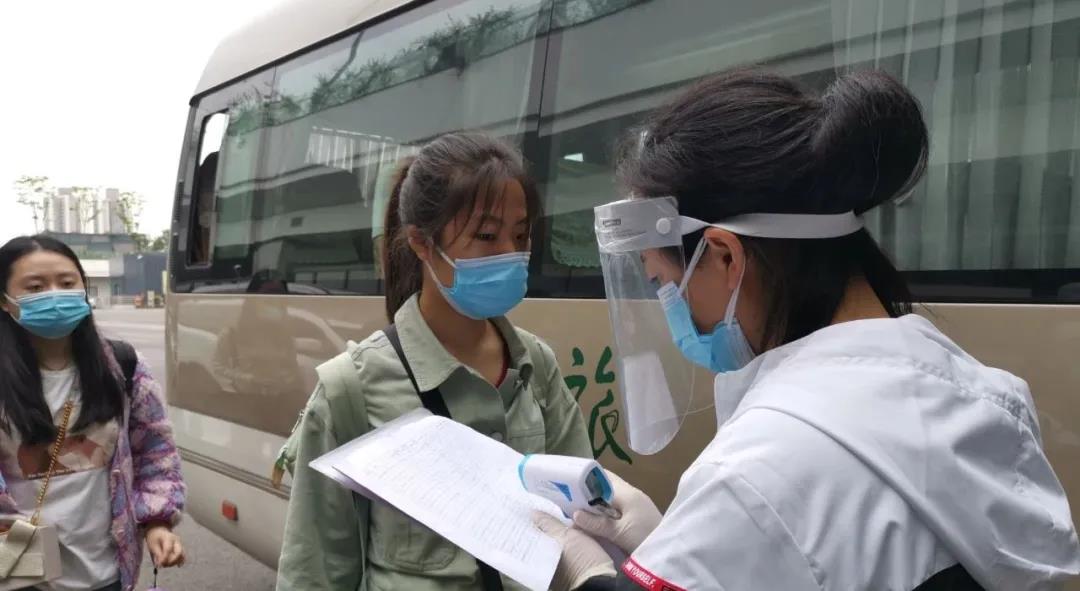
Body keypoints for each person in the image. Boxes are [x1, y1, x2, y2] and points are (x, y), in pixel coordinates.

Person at [534, 69, 1080, 590]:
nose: (670, 308)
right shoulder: (986, 397)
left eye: (664, 283)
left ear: (724, 256)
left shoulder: (753, 473)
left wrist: (588, 573)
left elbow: (779, 516)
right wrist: (683, 545)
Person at [276, 132, 591, 591]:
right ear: (422, 244)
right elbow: (315, 573)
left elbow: (581, 523)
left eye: (521, 234)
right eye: (487, 235)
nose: (511, 254)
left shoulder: (535, 366)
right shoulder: (351, 387)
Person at [0, 235, 186, 591]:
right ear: (4, 300)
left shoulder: (123, 367)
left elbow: (155, 453)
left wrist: (157, 522)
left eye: (67, 283)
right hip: (17, 574)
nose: (55, 295)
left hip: (107, 575)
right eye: (35, 287)